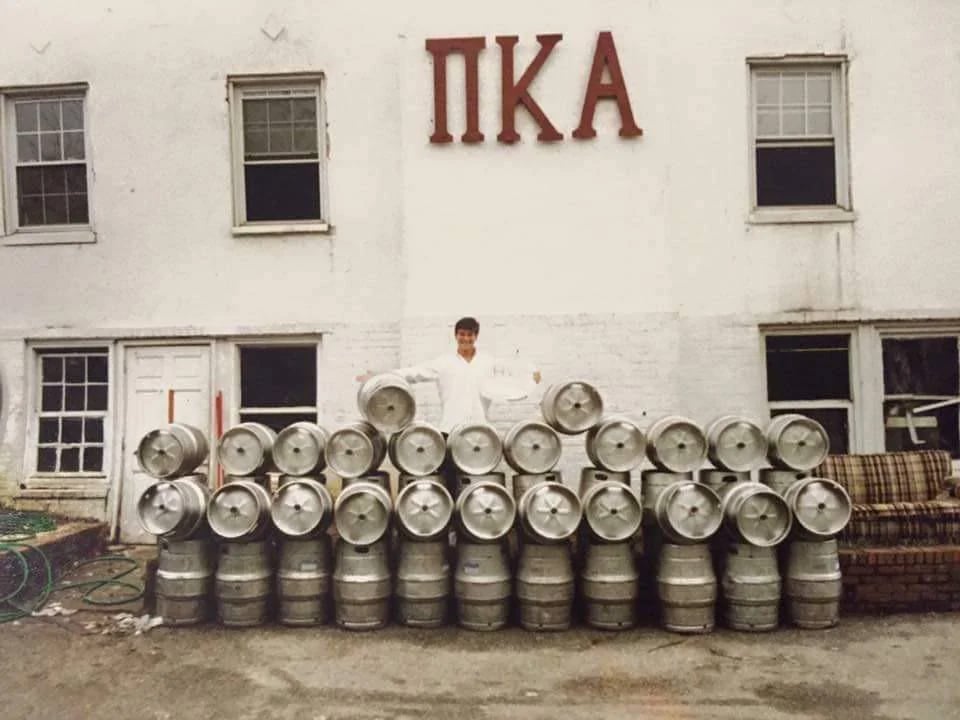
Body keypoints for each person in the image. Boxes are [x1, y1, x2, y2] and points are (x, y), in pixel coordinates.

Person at [356, 316, 542, 433]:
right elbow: (414, 373)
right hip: (449, 430)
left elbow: (513, 373)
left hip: (480, 430)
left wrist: (531, 376)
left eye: (469, 335)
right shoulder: (444, 363)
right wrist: (379, 376)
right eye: (461, 334)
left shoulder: (488, 363)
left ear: (476, 336)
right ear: (456, 336)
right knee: (453, 485)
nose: (465, 339)